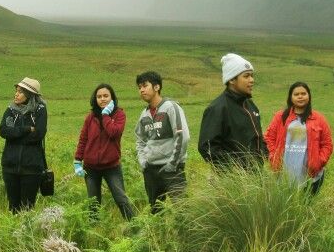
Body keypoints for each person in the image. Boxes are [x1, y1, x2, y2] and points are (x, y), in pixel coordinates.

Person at [74, 83, 136, 219]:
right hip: (90, 168)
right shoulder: (90, 117)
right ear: (95, 99)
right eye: (99, 96)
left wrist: (106, 115)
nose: (102, 99)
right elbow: (83, 139)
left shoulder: (119, 114)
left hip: (111, 166)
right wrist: (77, 160)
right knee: (93, 204)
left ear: (112, 98)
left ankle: (136, 228)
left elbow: (114, 133)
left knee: (121, 200)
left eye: (106, 96)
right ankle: (93, 233)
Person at [198, 53, 267, 170]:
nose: (252, 80)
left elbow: (257, 138)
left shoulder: (250, 105)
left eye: (252, 76)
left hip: (257, 177)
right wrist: (237, 168)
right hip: (232, 181)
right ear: (231, 80)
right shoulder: (217, 108)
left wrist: (264, 154)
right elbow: (207, 148)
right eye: (246, 76)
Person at [134, 72, 190, 212]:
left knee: (183, 210)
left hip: (172, 169)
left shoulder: (171, 107)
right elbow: (140, 140)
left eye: (145, 86)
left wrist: (172, 163)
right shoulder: (144, 114)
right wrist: (143, 161)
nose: (141, 90)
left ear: (157, 87)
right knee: (156, 212)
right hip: (151, 170)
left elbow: (182, 136)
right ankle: (159, 235)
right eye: (139, 87)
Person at [264, 81, 333, 193]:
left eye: (303, 93)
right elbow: (269, 138)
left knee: (306, 206)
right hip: (283, 172)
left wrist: (319, 162)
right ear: (291, 97)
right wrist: (273, 156)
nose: (300, 97)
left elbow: (327, 144)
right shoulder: (280, 117)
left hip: (311, 175)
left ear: (309, 96)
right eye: (296, 94)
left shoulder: (319, 119)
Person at [0, 77, 47, 213]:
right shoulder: (11, 110)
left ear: (30, 95)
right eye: (16, 91)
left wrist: (14, 136)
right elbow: (3, 131)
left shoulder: (40, 110)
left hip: (31, 168)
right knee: (13, 208)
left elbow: (38, 134)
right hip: (10, 167)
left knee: (27, 208)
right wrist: (26, 129)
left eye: (20, 92)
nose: (16, 94)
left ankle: (27, 233)